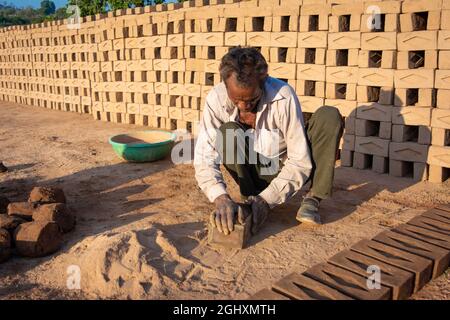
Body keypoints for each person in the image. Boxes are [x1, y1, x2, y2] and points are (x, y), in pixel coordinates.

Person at [194, 47, 343, 235]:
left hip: (285, 166)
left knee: (329, 116)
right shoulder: (216, 98)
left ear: (264, 81)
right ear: (225, 84)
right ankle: (251, 197)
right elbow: (204, 157)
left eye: (251, 99)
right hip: (253, 172)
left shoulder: (283, 96)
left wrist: (268, 200)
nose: (244, 106)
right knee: (227, 133)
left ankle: (312, 198)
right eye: (236, 99)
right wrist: (220, 197)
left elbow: (299, 160)